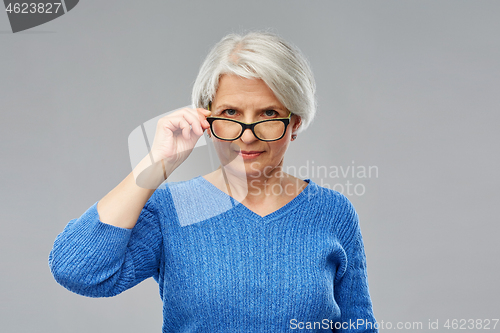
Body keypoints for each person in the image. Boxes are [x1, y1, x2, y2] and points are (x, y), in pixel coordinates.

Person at [49, 31, 378, 333]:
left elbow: (358, 325)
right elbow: (77, 271)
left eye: (267, 114)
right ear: (206, 119)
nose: (246, 136)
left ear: (294, 123)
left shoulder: (333, 212)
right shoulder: (171, 210)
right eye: (231, 113)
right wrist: (155, 164)